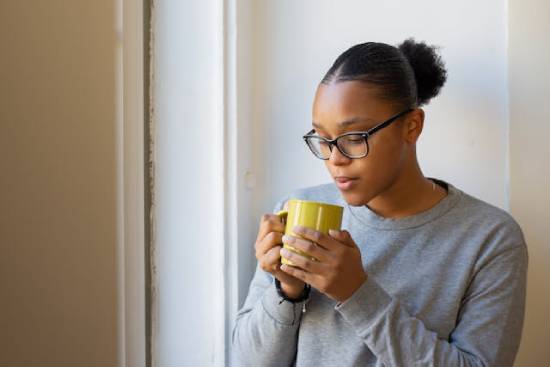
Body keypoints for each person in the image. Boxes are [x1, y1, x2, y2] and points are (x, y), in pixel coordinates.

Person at [231, 38, 528, 366]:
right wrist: (287, 290)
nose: (334, 159)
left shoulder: (490, 238)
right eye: (323, 139)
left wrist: (356, 293)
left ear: (411, 127)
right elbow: (247, 361)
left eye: (354, 138)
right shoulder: (298, 207)